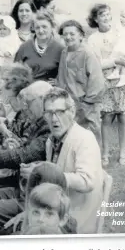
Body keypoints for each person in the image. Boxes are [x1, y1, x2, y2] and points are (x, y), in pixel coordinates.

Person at [87, 4, 125, 166]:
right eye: (102, 15)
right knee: (106, 117)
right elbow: (94, 64)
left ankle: (122, 153)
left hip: (123, 81)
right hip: (104, 81)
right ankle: (105, 153)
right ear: (95, 19)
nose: (106, 18)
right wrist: (114, 61)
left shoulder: (121, 32)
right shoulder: (92, 39)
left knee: (123, 116)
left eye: (108, 14)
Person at [42, 87, 103, 235]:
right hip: (58, 212)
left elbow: (87, 181)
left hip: (77, 219)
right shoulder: (51, 141)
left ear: (72, 112)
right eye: (49, 113)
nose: (54, 119)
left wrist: (48, 173)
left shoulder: (84, 138)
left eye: (60, 112)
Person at [56, 20, 105, 146]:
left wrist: (88, 101)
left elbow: (97, 80)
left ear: (81, 36)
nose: (68, 37)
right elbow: (62, 76)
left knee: (91, 132)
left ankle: (95, 159)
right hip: (70, 101)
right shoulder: (64, 52)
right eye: (65, 34)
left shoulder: (87, 53)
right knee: (71, 133)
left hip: (86, 102)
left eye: (72, 34)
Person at [14, 9, 65, 83]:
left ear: (52, 27)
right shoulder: (24, 47)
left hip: (50, 91)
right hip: (26, 90)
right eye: (37, 27)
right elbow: (15, 73)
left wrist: (58, 81)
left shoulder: (60, 49)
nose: (41, 31)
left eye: (44, 27)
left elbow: (65, 74)